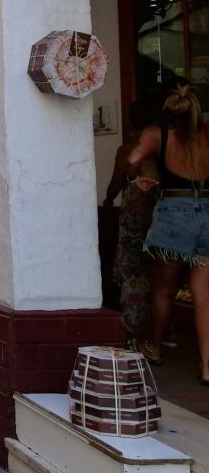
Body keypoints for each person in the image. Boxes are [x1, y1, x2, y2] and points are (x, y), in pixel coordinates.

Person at [128, 82, 209, 386]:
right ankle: (207, 367)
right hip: (207, 212)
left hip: (173, 213)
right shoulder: (206, 135)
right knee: (205, 295)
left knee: (164, 289)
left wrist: (141, 174)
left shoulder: (156, 134)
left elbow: (132, 161)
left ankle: (155, 347)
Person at [104, 100, 159, 347]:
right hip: (159, 213)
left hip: (134, 216)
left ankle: (133, 330)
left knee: (132, 271)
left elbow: (116, 183)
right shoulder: (165, 147)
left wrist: (108, 200)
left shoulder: (128, 150)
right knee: (159, 274)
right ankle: (160, 331)